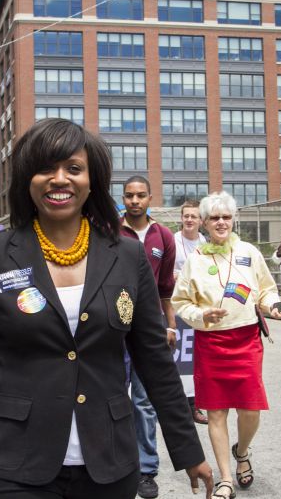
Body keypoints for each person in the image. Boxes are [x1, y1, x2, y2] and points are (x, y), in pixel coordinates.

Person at [0, 118, 214, 499]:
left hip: (109, 466)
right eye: (46, 168)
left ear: (91, 181)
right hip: (8, 467)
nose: (59, 179)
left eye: (74, 168)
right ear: (27, 180)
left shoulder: (129, 257)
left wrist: (188, 450)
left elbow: (155, 361)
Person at [172, 191, 281, 499]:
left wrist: (272, 305)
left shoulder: (249, 252)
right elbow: (180, 301)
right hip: (211, 342)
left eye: (226, 217)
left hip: (246, 339)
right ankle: (225, 479)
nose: (221, 222)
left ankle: (242, 450)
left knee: (251, 409)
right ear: (204, 223)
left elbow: (266, 289)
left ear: (233, 219)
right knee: (216, 412)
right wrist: (201, 315)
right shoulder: (195, 260)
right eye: (214, 218)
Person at [120, 175, 177, 499]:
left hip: (149, 326)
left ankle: (146, 470)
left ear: (150, 198)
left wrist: (171, 325)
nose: (135, 201)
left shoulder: (163, 236)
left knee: (143, 401)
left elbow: (166, 287)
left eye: (140, 195)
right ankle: (113, 463)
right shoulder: (109, 231)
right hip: (112, 324)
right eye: (129, 195)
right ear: (123, 199)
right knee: (111, 395)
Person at [173, 200, 208, 426]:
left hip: (197, 306)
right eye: (186, 216)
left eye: (194, 216)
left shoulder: (205, 243)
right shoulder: (172, 241)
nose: (189, 220)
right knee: (176, 357)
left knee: (195, 358)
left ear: (201, 220)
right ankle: (175, 406)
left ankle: (195, 405)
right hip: (176, 305)